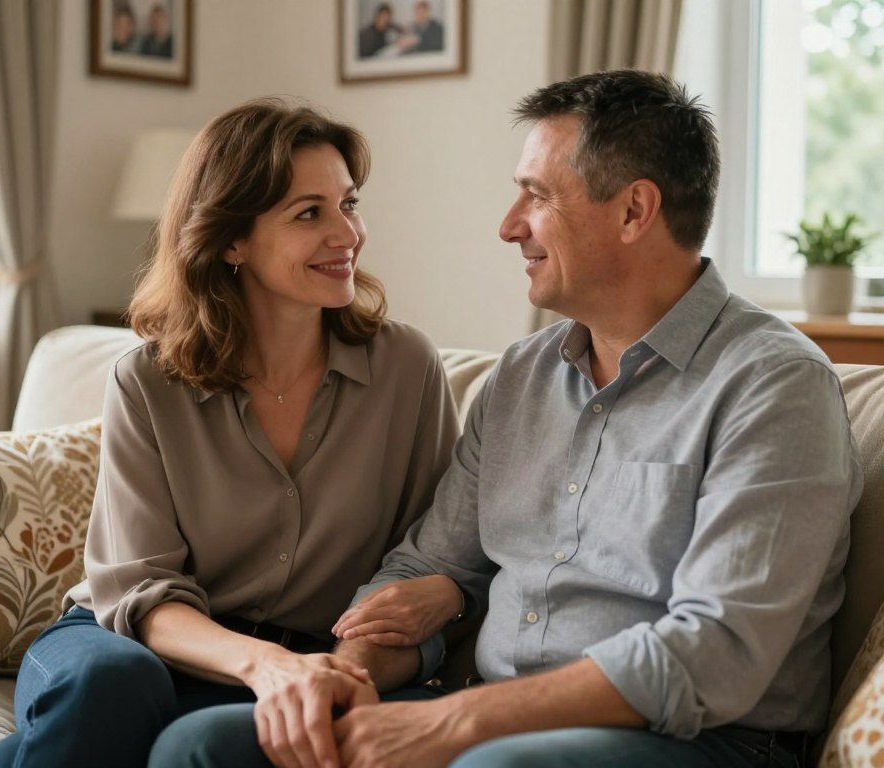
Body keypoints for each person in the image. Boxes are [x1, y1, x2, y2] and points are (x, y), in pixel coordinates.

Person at [149, 70, 863, 768]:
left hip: (700, 740)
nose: (508, 226)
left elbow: (716, 653)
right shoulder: (522, 375)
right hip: (491, 716)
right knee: (203, 745)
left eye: (536, 196)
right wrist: (347, 677)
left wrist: (455, 722)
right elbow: (430, 564)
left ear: (633, 211)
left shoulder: (774, 385)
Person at [0, 98, 459, 768]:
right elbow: (141, 592)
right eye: (309, 213)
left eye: (348, 204)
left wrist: (325, 669)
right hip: (130, 641)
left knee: (193, 743)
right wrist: (265, 666)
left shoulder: (407, 369)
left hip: (298, 659)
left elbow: (424, 561)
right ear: (232, 239)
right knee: (109, 686)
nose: (347, 233)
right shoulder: (147, 381)